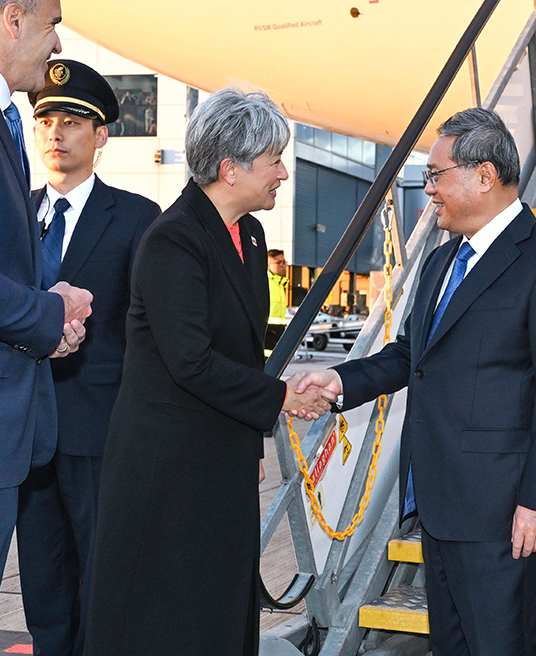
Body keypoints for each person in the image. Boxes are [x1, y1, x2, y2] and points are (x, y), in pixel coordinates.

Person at [295, 108, 536, 656]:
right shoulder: (440, 261)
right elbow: (411, 355)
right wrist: (338, 380)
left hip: (502, 510)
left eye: (435, 174)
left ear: (484, 175)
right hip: (438, 500)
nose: (428, 187)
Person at [85, 87, 329, 656]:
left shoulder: (250, 234)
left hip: (222, 458)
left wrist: (255, 426)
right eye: (274, 160)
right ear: (229, 168)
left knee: (219, 606)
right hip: (168, 470)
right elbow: (190, 360)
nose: (283, 173)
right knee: (170, 616)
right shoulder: (173, 239)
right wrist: (281, 398)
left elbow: (240, 350)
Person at [0, 2, 93, 655]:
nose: (57, 42)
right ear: (12, 17)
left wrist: (42, 307)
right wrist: (48, 315)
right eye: (52, 21)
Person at [15, 59, 161, 656]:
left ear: (101, 137)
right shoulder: (12, 213)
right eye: (46, 120)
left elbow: (149, 334)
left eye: (72, 122)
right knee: (41, 580)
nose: (56, 133)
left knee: (101, 578)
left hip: (100, 431)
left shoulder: (136, 218)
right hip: (24, 430)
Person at [265, 248, 288, 356]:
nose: (283, 265)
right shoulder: (265, 282)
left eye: (284, 262)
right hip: (267, 331)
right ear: (268, 265)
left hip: (279, 331)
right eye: (279, 262)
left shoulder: (280, 284)